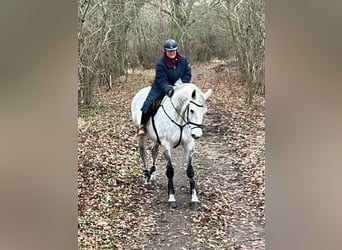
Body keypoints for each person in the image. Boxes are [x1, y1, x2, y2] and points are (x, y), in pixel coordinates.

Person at [138, 38, 192, 135]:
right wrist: (168, 89)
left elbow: (188, 73)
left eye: (173, 50)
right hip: (161, 87)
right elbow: (162, 80)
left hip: (180, 86)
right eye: (169, 51)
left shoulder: (183, 60)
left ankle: (192, 124)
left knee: (191, 102)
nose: (172, 53)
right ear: (165, 51)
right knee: (149, 103)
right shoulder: (161, 63)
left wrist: (181, 85)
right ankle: (142, 125)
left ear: (176, 50)